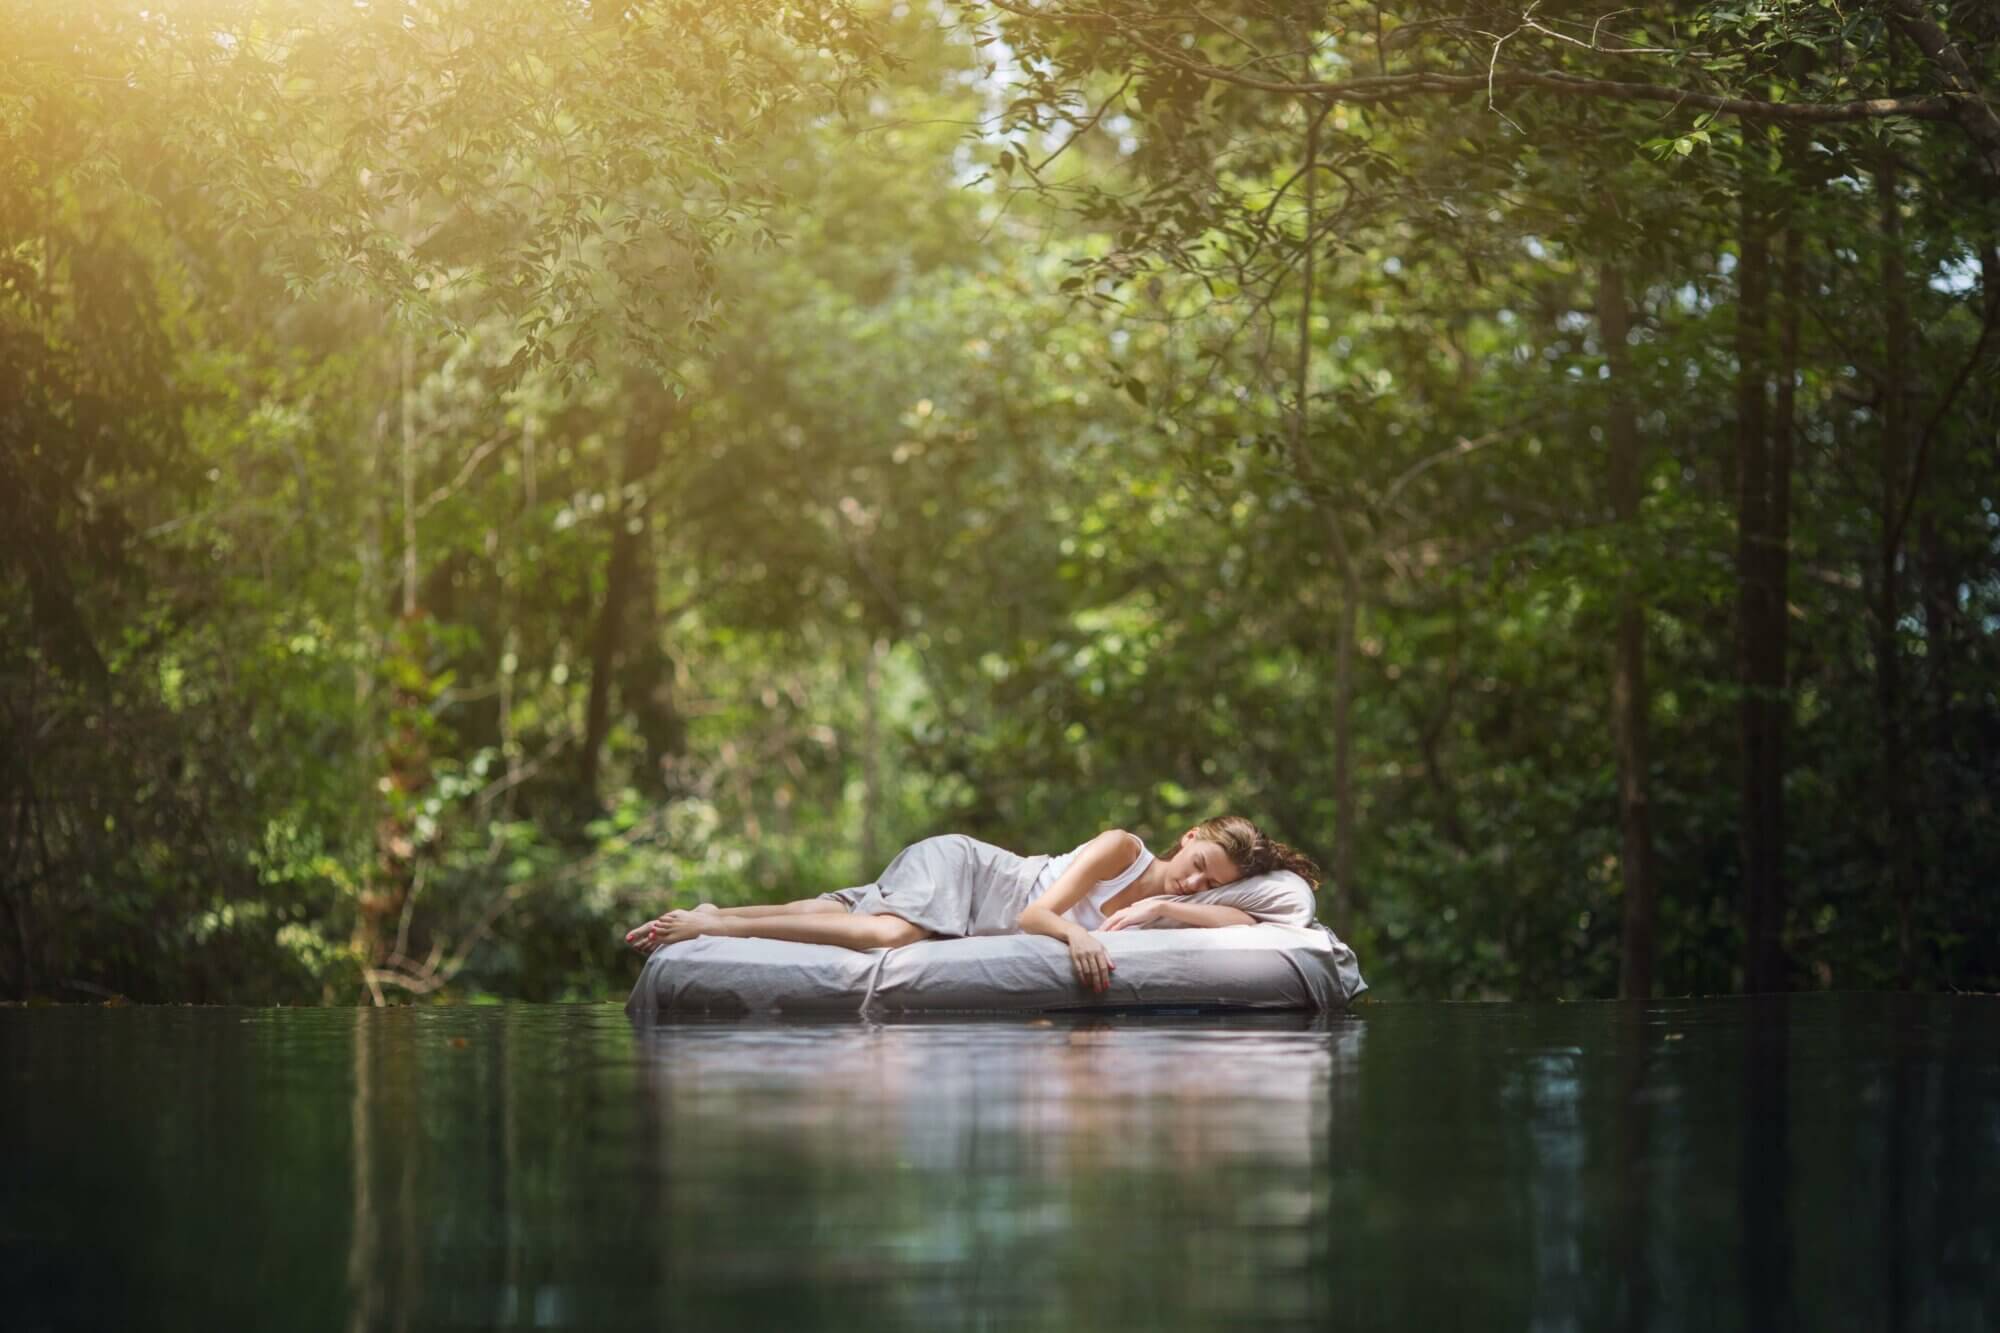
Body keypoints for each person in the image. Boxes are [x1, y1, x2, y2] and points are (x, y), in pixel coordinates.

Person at [624, 814, 1322, 994]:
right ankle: (713, 923)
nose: (1193, 883)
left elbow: (1264, 915)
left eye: (1210, 882)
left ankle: (725, 912)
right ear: (1188, 837)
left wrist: (1172, 911)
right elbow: (1035, 916)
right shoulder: (1122, 847)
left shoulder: (1184, 896)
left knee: (849, 910)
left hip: (968, 895)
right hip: (970, 867)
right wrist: (1077, 938)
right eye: (1197, 865)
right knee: (889, 932)